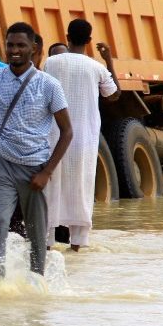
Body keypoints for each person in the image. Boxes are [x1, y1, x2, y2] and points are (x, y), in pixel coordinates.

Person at [0, 22, 72, 278]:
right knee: (0, 222)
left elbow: (67, 132)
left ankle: (36, 280)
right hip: (3, 163)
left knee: (36, 230)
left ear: (33, 49)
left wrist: (47, 172)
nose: (14, 50)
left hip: (35, 168)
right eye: (10, 45)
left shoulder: (49, 85)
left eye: (20, 45)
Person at [42, 19, 120, 251]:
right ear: (89, 40)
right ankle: (77, 246)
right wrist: (109, 61)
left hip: (54, 135)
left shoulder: (51, 62)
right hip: (84, 139)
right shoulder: (96, 67)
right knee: (81, 186)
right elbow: (114, 95)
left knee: (51, 186)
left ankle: (46, 245)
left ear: (67, 37)